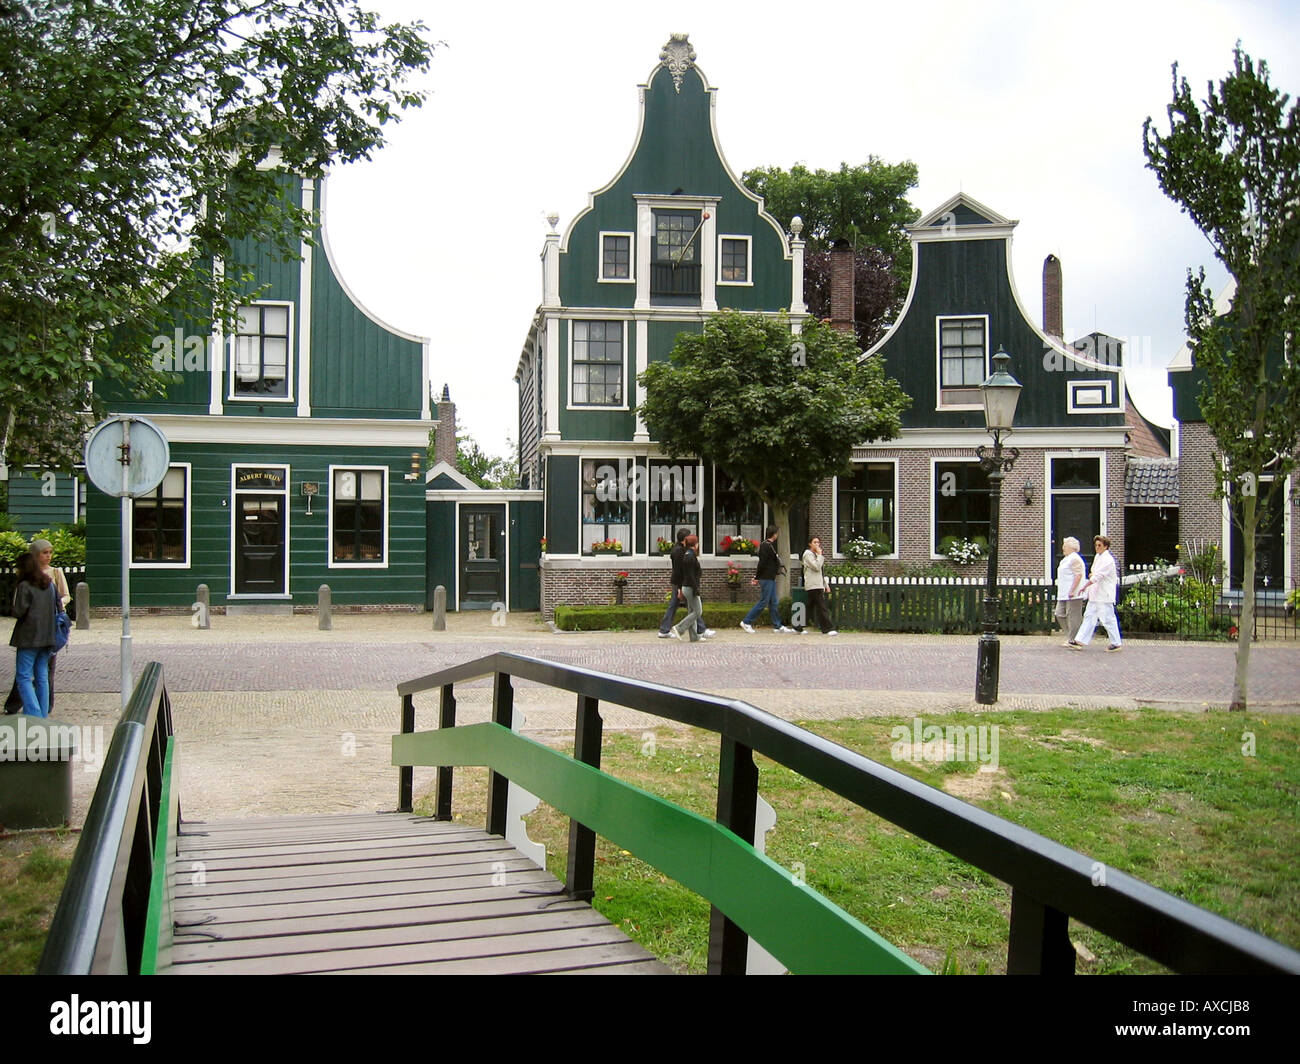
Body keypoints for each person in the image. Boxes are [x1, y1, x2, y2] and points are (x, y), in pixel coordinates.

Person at [5, 538, 69, 714]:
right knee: (42, 675)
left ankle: (34, 713)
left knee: (24, 676)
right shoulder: (49, 585)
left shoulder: (25, 585)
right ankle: (43, 712)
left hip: (29, 637)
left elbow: (18, 611)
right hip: (48, 636)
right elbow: (59, 605)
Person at [1068, 535, 1122, 652]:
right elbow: (1093, 572)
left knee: (1108, 618)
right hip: (1095, 594)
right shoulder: (1098, 557)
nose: (1097, 547)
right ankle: (1079, 641)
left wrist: (1085, 586)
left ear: (1106, 547)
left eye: (1100, 545)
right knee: (1089, 616)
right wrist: (1092, 578)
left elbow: (1098, 575)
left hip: (1104, 594)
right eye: (1096, 545)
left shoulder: (1108, 560)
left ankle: (1116, 643)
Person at [658, 527, 711, 639]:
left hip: (683, 582)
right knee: (693, 608)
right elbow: (678, 571)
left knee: (690, 607)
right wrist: (679, 588)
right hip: (682, 583)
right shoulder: (679, 552)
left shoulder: (681, 550)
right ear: (684, 539)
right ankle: (693, 629)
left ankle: (696, 631)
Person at [741, 525, 793, 633]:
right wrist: (757, 577)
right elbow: (762, 563)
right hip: (766, 578)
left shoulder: (768, 545)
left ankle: (777, 626)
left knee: (773, 602)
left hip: (770, 577)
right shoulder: (765, 546)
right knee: (764, 601)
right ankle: (746, 622)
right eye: (777, 533)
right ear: (774, 534)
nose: (777, 535)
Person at [668, 534, 705, 642]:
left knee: (691, 611)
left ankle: (694, 636)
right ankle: (679, 628)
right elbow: (690, 575)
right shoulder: (689, 556)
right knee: (698, 612)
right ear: (695, 544)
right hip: (690, 587)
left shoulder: (688, 554)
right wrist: (695, 589)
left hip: (688, 586)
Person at [1054, 536, 1087, 646]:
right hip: (1063, 593)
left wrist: (1073, 590)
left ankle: (1073, 640)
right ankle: (1071, 636)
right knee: (1059, 613)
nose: (1063, 548)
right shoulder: (1066, 559)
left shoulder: (1075, 559)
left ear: (1071, 547)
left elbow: (1078, 575)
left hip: (1073, 594)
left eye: (1065, 546)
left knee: (1073, 616)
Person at [800, 537, 837, 636]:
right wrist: (820, 556)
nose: (817, 544)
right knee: (822, 607)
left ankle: (798, 626)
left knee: (810, 607)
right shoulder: (807, 555)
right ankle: (827, 628)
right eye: (815, 542)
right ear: (810, 544)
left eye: (818, 542)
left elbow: (821, 572)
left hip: (818, 584)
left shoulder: (816, 555)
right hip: (813, 585)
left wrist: (826, 585)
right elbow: (816, 567)